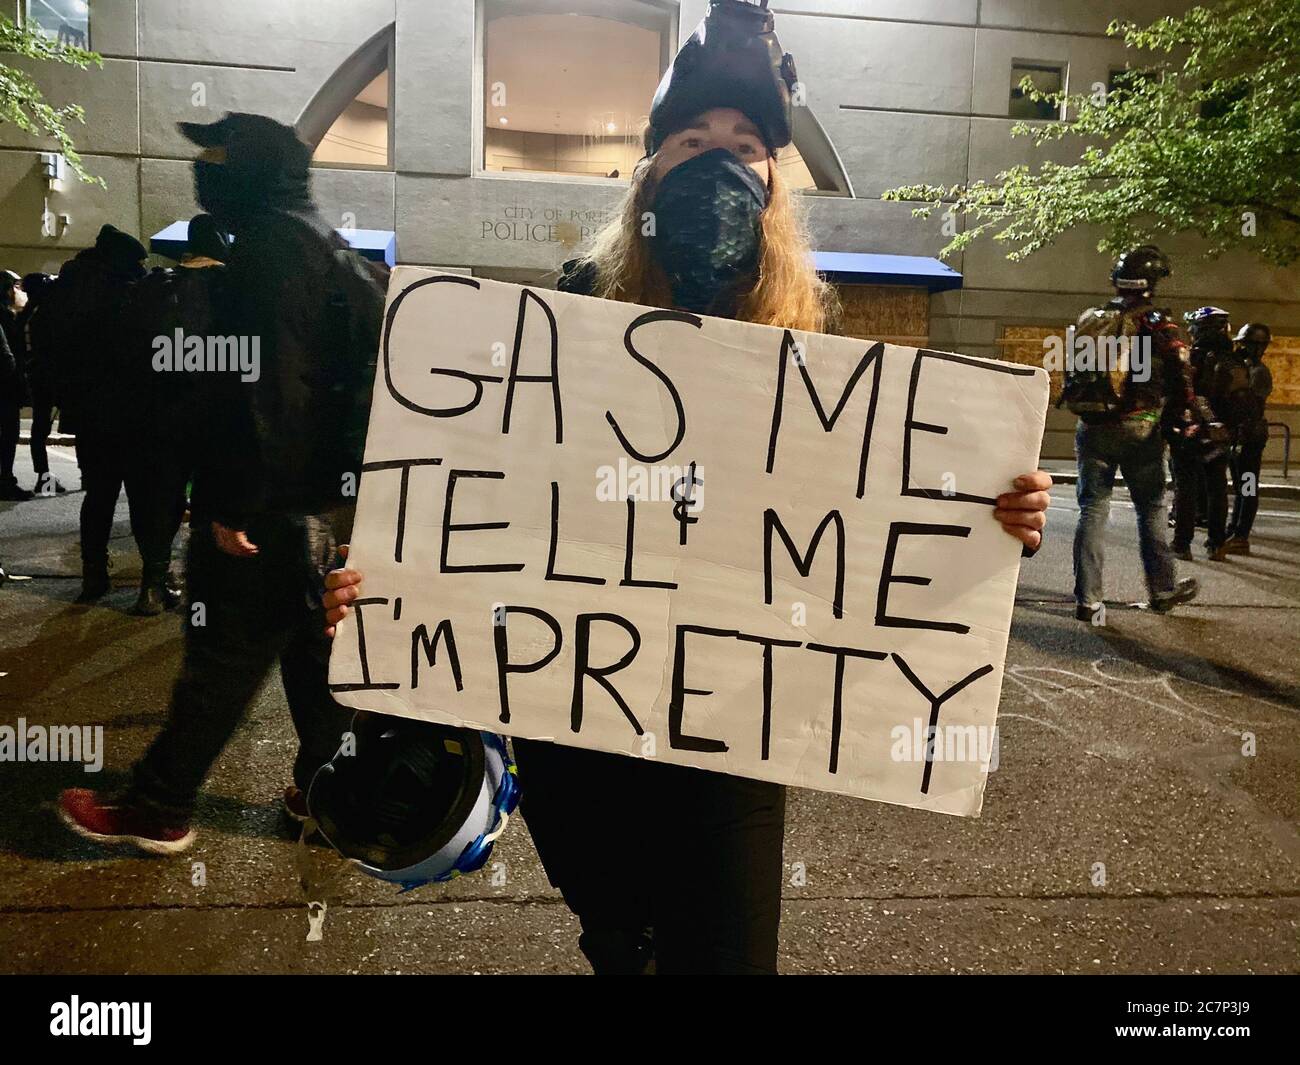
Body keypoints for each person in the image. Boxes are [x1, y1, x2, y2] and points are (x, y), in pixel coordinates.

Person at [325, 0, 1051, 975]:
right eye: (689, 138)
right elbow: (477, 502)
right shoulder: (566, 315)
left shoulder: (811, 359)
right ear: (647, 172)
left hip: (728, 730)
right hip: (575, 711)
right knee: (622, 944)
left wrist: (988, 522)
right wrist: (385, 589)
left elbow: (860, 536)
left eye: (744, 143)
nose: (715, 159)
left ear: (771, 182)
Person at [57, 113, 384, 854]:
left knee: (222, 662)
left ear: (252, 169)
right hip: (321, 506)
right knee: (311, 657)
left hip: (267, 505)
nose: (203, 170)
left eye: (215, 154)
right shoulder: (326, 246)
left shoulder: (270, 248)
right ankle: (331, 796)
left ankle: (158, 803)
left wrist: (232, 500)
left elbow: (267, 385)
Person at [1063, 245, 1199, 621]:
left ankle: (1088, 600)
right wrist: (1183, 414)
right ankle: (1162, 589)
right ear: (1151, 282)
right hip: (1141, 427)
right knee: (1151, 509)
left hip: (1092, 425)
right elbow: (1181, 373)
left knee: (1092, 509)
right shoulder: (1157, 323)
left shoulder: (1095, 317)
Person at [122, 214, 230, 615]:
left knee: (160, 499)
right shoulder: (230, 287)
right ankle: (206, 591)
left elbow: (133, 352)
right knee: (211, 501)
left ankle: (152, 585)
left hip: (159, 413)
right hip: (214, 417)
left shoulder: (153, 285)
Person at [45, 224, 151, 602]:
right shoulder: (125, 292)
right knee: (142, 497)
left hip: (89, 414)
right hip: (131, 414)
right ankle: (152, 583)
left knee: (98, 495)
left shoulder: (69, 288)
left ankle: (94, 575)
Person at [1169, 306, 1232, 561]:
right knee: (1218, 488)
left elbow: (1177, 394)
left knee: (1186, 488)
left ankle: (1182, 544)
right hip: (1220, 433)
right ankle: (1216, 544)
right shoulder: (1233, 360)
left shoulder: (1190, 359)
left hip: (1191, 432)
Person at [1222, 323, 1273, 553]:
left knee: (1249, 486)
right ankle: (1235, 528)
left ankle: (1241, 534)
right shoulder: (1247, 367)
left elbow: (1249, 404)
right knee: (1241, 485)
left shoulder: (1259, 372)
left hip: (1251, 436)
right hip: (1242, 434)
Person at [18, 272, 67, 496]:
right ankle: (46, 477)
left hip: (36, 376)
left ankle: (43, 474)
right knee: (43, 427)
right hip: (49, 376)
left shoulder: (26, 314)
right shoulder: (46, 314)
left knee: (39, 428)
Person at [0, 270, 33, 501]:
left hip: (7, 385)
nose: (20, 292)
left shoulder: (10, 316)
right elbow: (7, 356)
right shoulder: (4, 317)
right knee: (8, 433)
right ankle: (5, 480)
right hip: (5, 387)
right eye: (17, 287)